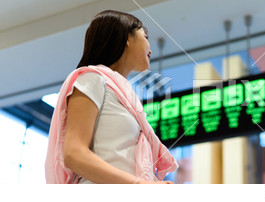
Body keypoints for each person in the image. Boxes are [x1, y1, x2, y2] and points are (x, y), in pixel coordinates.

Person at [45, 10, 178, 184]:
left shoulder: (127, 96)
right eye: (145, 37)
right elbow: (73, 154)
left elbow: (123, 159)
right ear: (126, 39)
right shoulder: (92, 79)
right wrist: (141, 185)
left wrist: (155, 184)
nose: (150, 49)